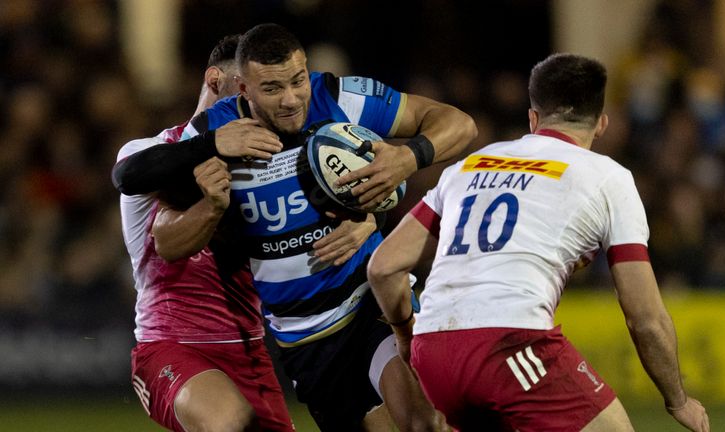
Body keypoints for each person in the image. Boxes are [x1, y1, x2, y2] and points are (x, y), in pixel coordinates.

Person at [114, 23, 477, 431]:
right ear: (243, 89)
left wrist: (408, 159)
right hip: (303, 339)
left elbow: (459, 124)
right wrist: (213, 184)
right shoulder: (217, 134)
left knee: (423, 421)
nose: (290, 99)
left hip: (367, 301)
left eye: (298, 80)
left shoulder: (339, 96)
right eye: (271, 88)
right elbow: (156, 219)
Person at [367, 53, 710, 432]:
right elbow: (644, 316)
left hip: (432, 354)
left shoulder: (469, 165)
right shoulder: (608, 178)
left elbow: (384, 266)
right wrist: (678, 400)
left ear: (533, 118)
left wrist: (404, 335)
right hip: (508, 342)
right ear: (601, 124)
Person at [114, 34, 296, 432]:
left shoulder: (270, 163)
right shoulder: (150, 152)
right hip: (172, 347)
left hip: (250, 351)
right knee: (228, 422)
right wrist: (214, 162)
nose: (254, 102)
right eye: (243, 88)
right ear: (215, 81)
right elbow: (160, 230)